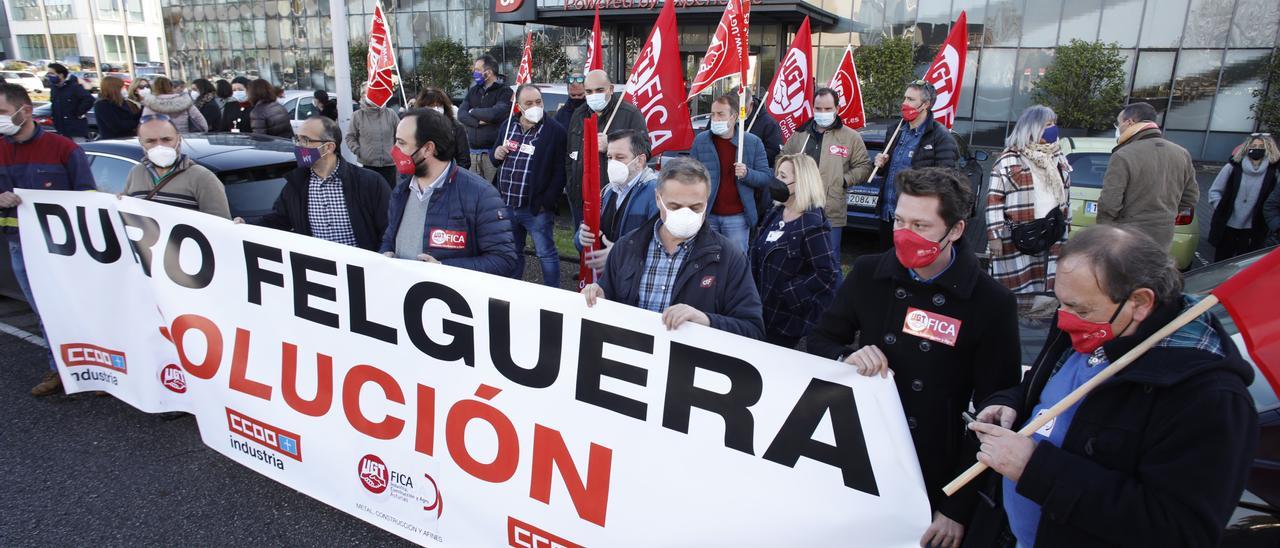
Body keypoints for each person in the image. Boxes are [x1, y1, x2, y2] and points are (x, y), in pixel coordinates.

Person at [967, 224, 1257, 547]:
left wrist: (1036, 469)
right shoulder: (1089, 325)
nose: (1063, 319)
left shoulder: (1209, 398)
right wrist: (1012, 402)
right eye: (1061, 303)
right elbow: (1041, 389)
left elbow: (1178, 531)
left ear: (1141, 302)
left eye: (1079, 309)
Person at [807, 167, 1021, 548]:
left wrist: (956, 507)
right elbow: (822, 338)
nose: (905, 234)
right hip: (856, 450)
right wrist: (847, 356)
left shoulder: (991, 302)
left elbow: (996, 412)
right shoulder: (869, 272)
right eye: (900, 220)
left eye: (921, 225)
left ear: (954, 230)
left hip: (930, 466)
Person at [581, 157, 764, 339]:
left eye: (695, 207)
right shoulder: (627, 246)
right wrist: (599, 295)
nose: (685, 214)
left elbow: (752, 329)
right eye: (675, 206)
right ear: (658, 198)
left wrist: (707, 321)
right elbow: (609, 299)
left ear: (707, 202)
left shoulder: (729, 258)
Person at [0, 83, 97, 396]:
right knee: (45, 310)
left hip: (66, 249)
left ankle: (101, 373)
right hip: (21, 246)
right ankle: (60, 370)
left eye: (2, 112)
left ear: (24, 111)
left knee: (85, 306)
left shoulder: (63, 149)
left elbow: (88, 196)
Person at [380, 109, 517, 276]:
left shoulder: (480, 195)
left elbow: (503, 261)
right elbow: (389, 239)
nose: (394, 150)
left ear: (428, 149)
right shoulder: (401, 191)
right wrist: (386, 254)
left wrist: (443, 267)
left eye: (401, 143)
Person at [243, 116, 391, 252]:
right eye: (297, 139)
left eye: (305, 140)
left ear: (328, 147)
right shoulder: (297, 184)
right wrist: (246, 226)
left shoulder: (368, 183)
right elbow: (280, 219)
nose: (299, 146)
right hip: (318, 274)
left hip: (360, 272)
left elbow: (388, 229)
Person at [986, 105, 1072, 306]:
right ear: (1031, 128)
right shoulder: (1009, 160)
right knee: (1013, 284)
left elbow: (1066, 197)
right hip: (1018, 233)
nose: (1053, 129)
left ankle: (1038, 316)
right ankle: (1013, 317)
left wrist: (1066, 227)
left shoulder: (1058, 158)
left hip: (1052, 230)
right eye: (1047, 124)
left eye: (1054, 124)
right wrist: (994, 237)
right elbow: (994, 200)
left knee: (1045, 280)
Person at [749, 154, 838, 348]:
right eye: (777, 175)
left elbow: (826, 273)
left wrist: (788, 294)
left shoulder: (813, 224)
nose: (776, 181)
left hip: (786, 321)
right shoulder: (776, 212)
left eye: (783, 177)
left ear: (802, 183)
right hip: (761, 310)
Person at [780, 87, 872, 274]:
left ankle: (832, 302)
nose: (822, 113)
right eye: (818, 109)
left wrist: (843, 180)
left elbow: (864, 167)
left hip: (831, 209)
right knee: (796, 260)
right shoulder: (800, 134)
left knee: (829, 263)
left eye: (827, 109)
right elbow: (781, 158)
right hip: (799, 206)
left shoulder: (850, 137)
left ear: (837, 108)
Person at [491, 85, 567, 286]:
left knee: (545, 253)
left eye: (538, 102)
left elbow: (560, 172)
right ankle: (514, 289)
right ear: (518, 106)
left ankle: (553, 294)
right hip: (507, 205)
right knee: (513, 251)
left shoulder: (555, 131)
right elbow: (495, 157)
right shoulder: (508, 126)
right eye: (529, 103)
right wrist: (496, 153)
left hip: (536, 209)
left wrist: (546, 202)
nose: (535, 106)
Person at [1097, 102, 1198, 252]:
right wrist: (1166, 215)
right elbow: (1191, 197)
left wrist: (1102, 233)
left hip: (1127, 235)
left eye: (1118, 124)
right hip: (1164, 235)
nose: (1118, 128)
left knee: (1124, 274)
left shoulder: (1123, 155)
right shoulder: (1181, 153)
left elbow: (1109, 203)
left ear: (1130, 122)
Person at [873, 80, 960, 251]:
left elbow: (947, 182)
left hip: (916, 221)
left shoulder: (941, 137)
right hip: (888, 215)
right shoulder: (895, 130)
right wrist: (880, 164)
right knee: (886, 266)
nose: (904, 103)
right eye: (904, 98)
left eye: (911, 99)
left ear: (926, 104)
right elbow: (887, 172)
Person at [688, 92, 773, 252]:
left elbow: (766, 178)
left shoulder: (752, 143)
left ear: (734, 117)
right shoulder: (701, 141)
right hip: (708, 215)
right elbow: (689, 175)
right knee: (708, 261)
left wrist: (747, 174)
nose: (715, 119)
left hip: (738, 218)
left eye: (721, 114)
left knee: (736, 264)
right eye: (713, 114)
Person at [566, 69, 648, 233]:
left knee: (610, 249)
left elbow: (645, 151)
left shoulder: (629, 114)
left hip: (614, 199)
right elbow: (570, 154)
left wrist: (610, 144)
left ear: (611, 89)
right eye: (589, 91)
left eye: (599, 90)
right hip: (580, 199)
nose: (593, 95)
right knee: (583, 248)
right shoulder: (579, 114)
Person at [577, 129, 660, 271]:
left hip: (634, 285)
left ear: (640, 160)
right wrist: (581, 237)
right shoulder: (607, 191)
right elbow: (589, 228)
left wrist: (618, 254)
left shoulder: (656, 193)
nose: (612, 163)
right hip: (607, 282)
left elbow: (661, 246)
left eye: (620, 157)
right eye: (609, 157)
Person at [122, 116, 229, 219]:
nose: (160, 146)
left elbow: (219, 226)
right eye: (151, 141)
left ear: (179, 139)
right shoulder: (136, 172)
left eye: (166, 139)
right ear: (141, 143)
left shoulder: (203, 177)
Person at [1207, 133, 1278, 261]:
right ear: (1247, 147)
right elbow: (1214, 191)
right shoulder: (1234, 166)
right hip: (1227, 226)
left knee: (1244, 266)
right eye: (1254, 145)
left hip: (1253, 229)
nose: (1257, 148)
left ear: (1268, 149)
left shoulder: (1273, 172)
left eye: (1261, 146)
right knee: (1221, 264)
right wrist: (1221, 207)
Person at [457, 54, 512, 182]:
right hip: (473, 154)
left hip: (492, 154)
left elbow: (494, 114)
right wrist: (478, 122)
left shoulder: (504, 91)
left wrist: (473, 111)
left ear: (489, 72)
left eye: (477, 70)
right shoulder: (473, 91)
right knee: (474, 193)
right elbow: (461, 115)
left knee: (492, 192)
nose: (474, 73)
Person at [345, 84, 403, 188]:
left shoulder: (390, 114)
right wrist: (359, 151)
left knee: (389, 197)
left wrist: (396, 151)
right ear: (362, 96)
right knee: (369, 197)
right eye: (366, 93)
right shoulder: (357, 115)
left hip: (388, 165)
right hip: (367, 165)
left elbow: (400, 136)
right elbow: (350, 137)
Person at [412, 87, 471, 169]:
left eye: (439, 105)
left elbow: (464, 160)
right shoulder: (416, 128)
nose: (436, 109)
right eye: (431, 106)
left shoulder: (456, 128)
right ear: (422, 107)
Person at [45, 63, 95, 142]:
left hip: (75, 130)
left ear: (61, 75)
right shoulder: (54, 88)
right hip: (61, 130)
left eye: (52, 73)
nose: (49, 76)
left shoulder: (74, 87)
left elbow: (89, 99)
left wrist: (79, 112)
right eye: (48, 74)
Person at [140, 76, 208, 133]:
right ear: (171, 87)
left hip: (161, 141)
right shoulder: (185, 102)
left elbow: (145, 126)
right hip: (184, 139)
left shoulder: (150, 105)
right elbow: (202, 123)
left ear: (154, 88)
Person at [93, 75, 142, 140]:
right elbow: (117, 126)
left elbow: (132, 117)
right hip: (114, 141)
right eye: (122, 87)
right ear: (114, 89)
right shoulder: (102, 104)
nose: (124, 89)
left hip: (129, 138)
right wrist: (135, 122)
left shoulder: (122, 102)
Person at [747, 92, 784, 168]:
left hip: (758, 172)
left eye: (741, 108)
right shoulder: (733, 119)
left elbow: (774, 152)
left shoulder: (769, 123)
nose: (737, 111)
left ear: (751, 104)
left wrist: (750, 157)